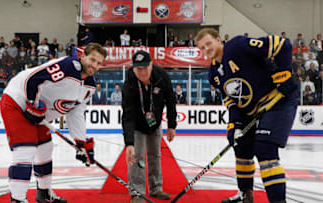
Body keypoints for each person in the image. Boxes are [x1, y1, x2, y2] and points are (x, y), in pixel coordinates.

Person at [195, 28, 298, 203]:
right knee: (241, 146)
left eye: (208, 44)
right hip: (252, 109)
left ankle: (278, 201)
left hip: (278, 100)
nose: (206, 50)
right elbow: (231, 100)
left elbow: (282, 45)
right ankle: (245, 195)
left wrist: (284, 73)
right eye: (202, 48)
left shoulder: (237, 46)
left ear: (218, 40)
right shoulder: (213, 74)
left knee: (265, 148)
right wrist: (234, 124)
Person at [0, 43, 107, 202]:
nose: (94, 65)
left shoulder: (89, 87)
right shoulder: (68, 66)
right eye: (92, 59)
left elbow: (76, 113)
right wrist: (32, 105)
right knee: (25, 150)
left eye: (99, 63)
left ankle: (44, 194)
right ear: (82, 56)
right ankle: (17, 199)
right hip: (18, 101)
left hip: (37, 113)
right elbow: (33, 79)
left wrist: (81, 143)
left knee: (45, 148)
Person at [122, 50, 177, 203]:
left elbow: (171, 100)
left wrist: (171, 125)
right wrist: (129, 143)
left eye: (145, 67)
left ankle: (156, 188)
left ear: (152, 65)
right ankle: (137, 193)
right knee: (137, 156)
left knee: (155, 156)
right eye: (138, 68)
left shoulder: (161, 76)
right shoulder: (130, 84)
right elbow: (127, 115)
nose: (142, 72)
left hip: (155, 122)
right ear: (133, 68)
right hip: (138, 125)